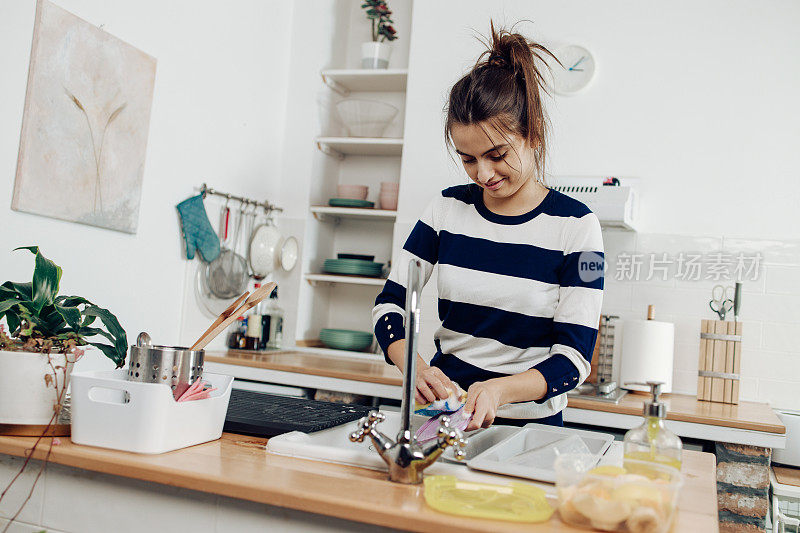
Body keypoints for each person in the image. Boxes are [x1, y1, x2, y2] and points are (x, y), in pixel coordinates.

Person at [372, 22, 604, 431]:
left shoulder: (579, 227)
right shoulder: (445, 209)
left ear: (532, 134)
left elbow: (574, 359)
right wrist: (415, 367)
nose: (483, 173)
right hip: (445, 418)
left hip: (530, 430)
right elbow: (389, 305)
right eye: (467, 158)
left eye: (496, 154)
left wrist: (498, 390)